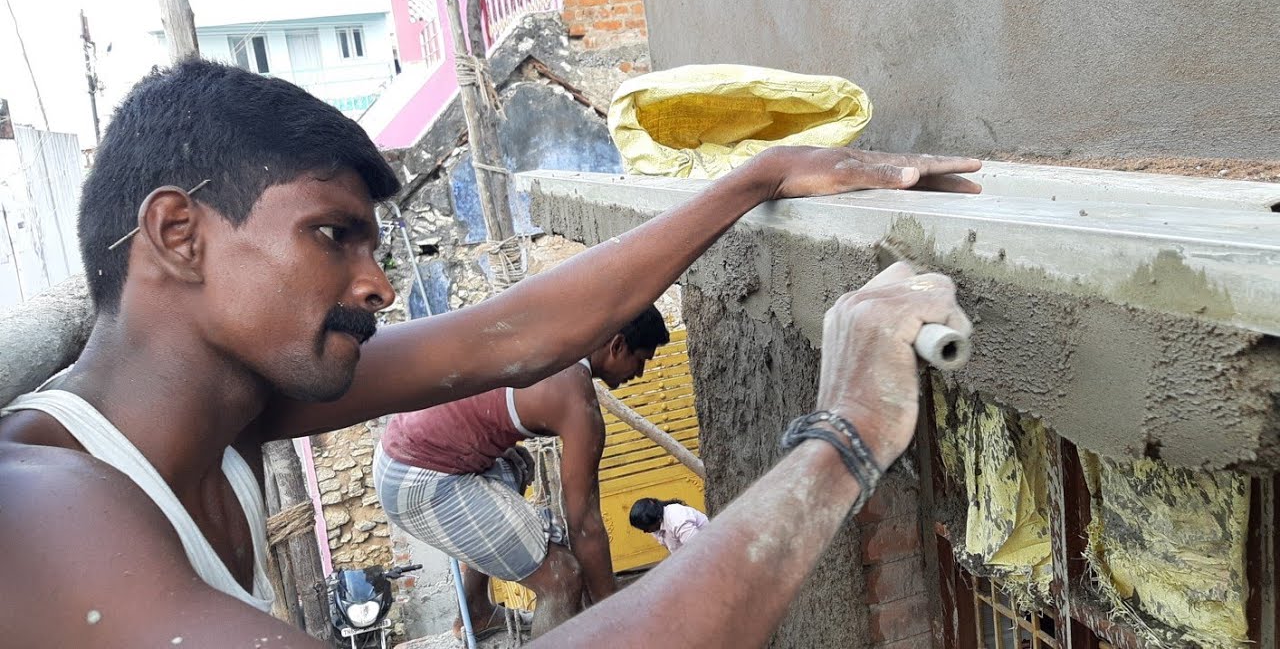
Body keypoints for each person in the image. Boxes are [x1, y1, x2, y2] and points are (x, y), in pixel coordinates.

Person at [0, 59, 979, 648]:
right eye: (332, 235)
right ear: (179, 234)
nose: (376, 282)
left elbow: (513, 333)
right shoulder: (41, 510)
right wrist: (843, 435)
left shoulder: (231, 408)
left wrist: (752, 180)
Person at [375, 306, 670, 638]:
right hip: (419, 480)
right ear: (616, 346)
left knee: (516, 465)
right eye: (642, 359)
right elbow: (584, 524)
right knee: (561, 576)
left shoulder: (555, 337)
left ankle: (477, 613)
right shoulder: (576, 401)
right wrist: (615, 621)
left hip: (399, 452)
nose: (641, 373)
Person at [629, 498, 709, 553]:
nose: (646, 532)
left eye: (647, 529)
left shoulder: (678, 520)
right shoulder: (657, 527)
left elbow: (699, 548)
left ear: (659, 518)